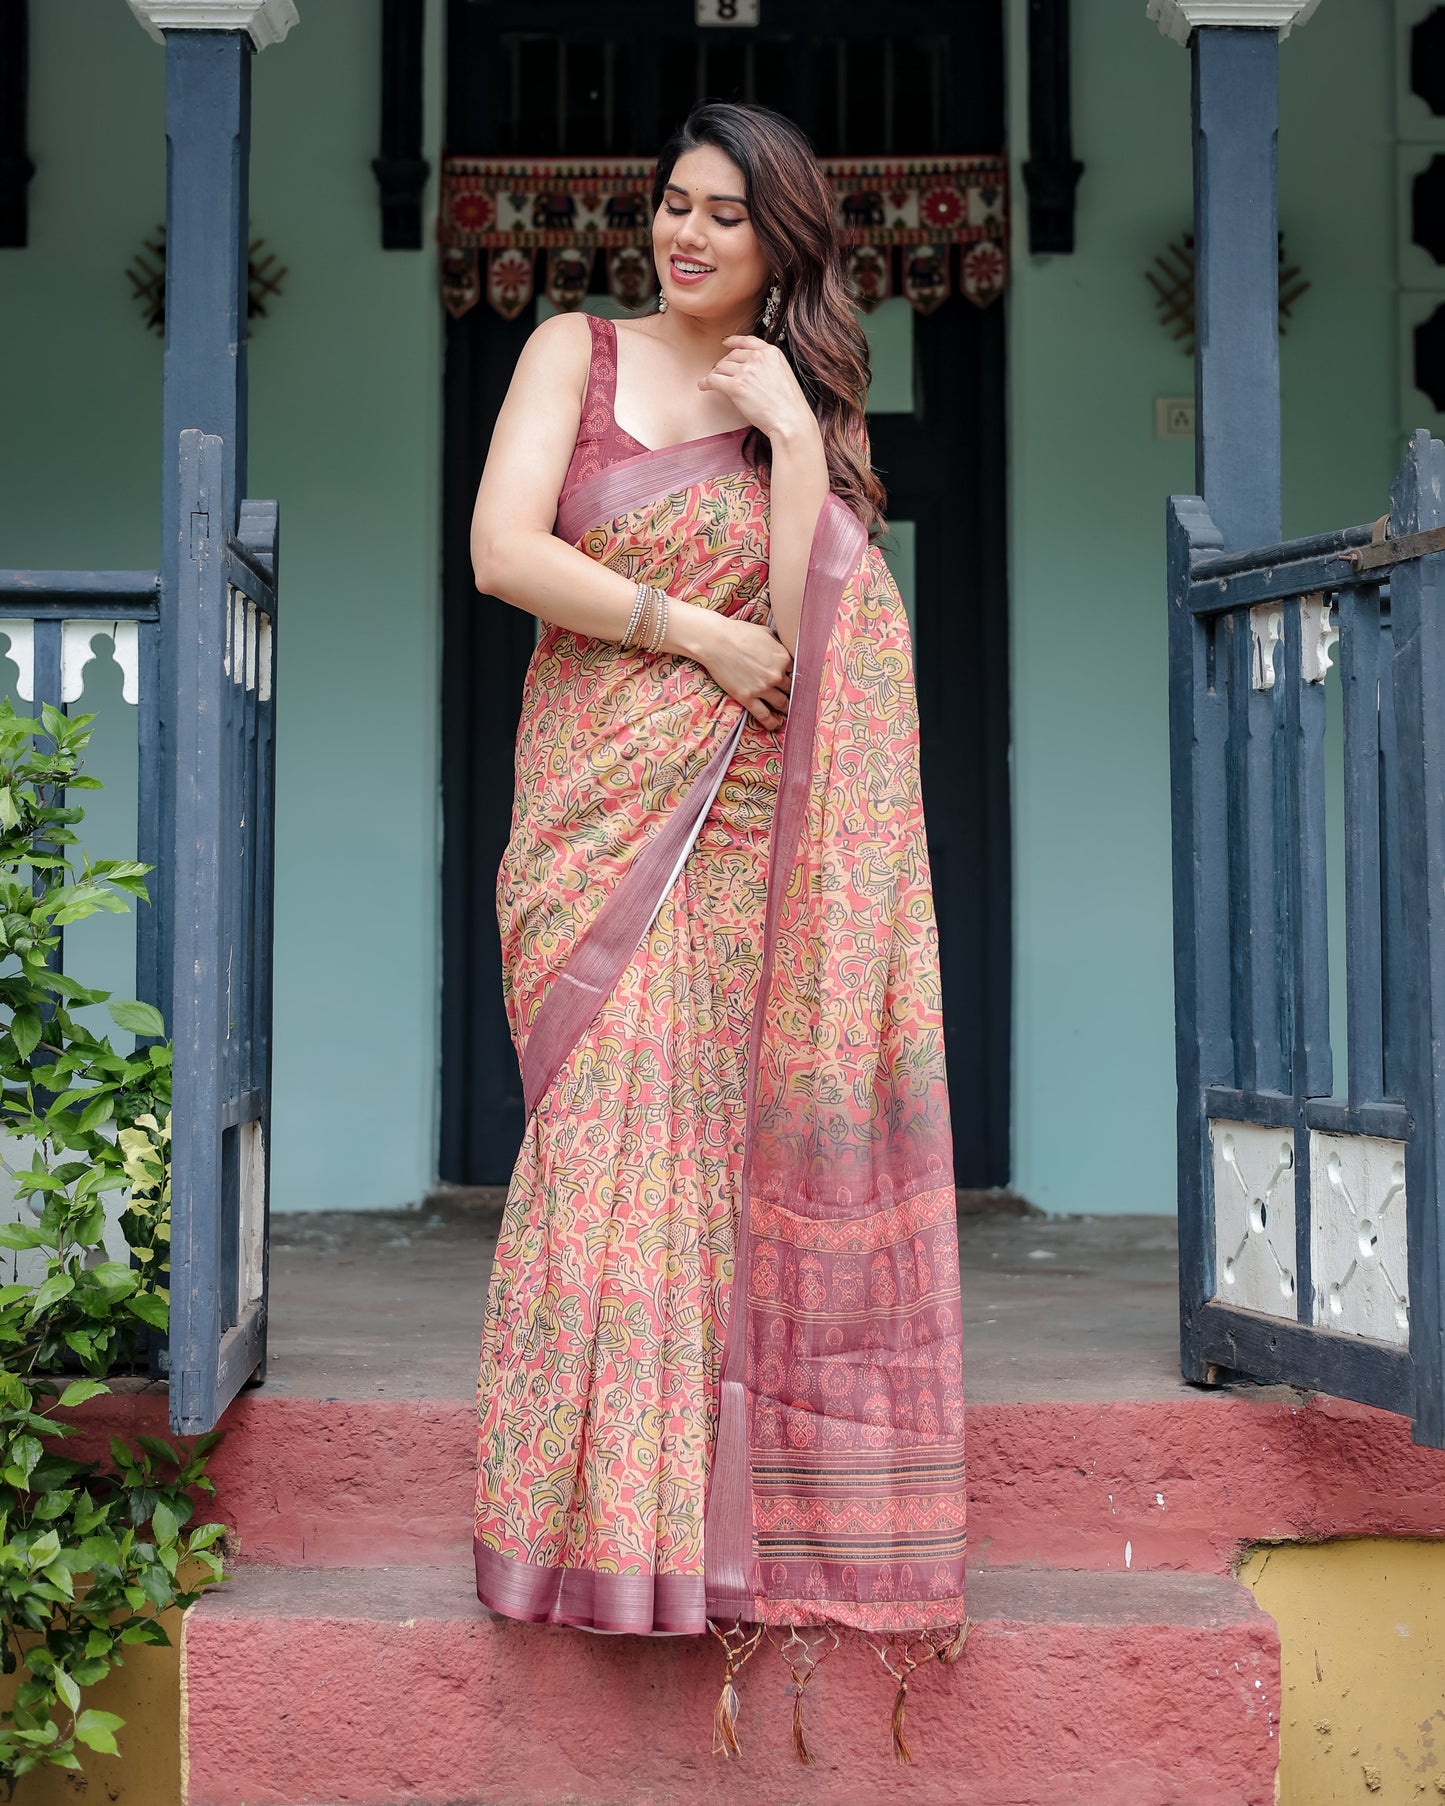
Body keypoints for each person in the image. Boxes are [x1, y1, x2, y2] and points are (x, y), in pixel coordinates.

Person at [469, 99, 968, 1762]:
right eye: (673, 204)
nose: (684, 234)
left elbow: (815, 641)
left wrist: (800, 445)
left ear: (779, 243)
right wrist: (684, 630)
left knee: (692, 1163)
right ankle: (573, 1528)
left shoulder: (790, 398)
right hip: (592, 814)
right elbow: (501, 551)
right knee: (600, 1141)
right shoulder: (575, 350)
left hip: (740, 825)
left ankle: (684, 1538)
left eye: (721, 215)